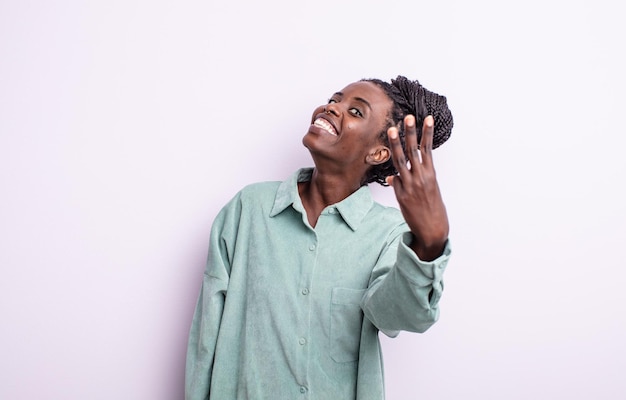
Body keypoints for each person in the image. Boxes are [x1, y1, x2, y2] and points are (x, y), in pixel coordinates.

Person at [185, 75, 454, 400]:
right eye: (335, 99)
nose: (331, 108)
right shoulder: (249, 209)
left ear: (379, 153)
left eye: (356, 112)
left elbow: (398, 315)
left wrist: (429, 244)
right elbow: (206, 335)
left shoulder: (388, 234)